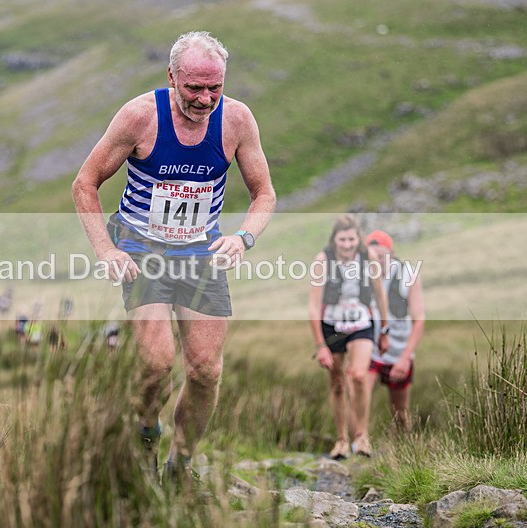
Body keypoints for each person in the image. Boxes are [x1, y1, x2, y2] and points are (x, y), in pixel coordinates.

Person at [72, 31, 276, 484]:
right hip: (141, 249)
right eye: (194, 88)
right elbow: (85, 183)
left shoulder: (237, 120)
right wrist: (106, 249)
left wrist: (243, 238)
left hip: (201, 253)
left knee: (205, 371)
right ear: (171, 77)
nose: (204, 99)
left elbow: (264, 194)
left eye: (214, 88)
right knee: (157, 363)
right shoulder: (140, 116)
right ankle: (146, 437)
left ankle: (180, 466)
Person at [308, 215, 389, 460]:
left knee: (359, 375)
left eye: (351, 239)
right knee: (337, 383)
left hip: (361, 322)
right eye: (342, 239)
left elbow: (380, 295)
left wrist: (384, 330)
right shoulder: (323, 260)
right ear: (334, 239)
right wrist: (320, 345)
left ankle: (362, 436)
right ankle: (341, 439)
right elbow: (313, 307)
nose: (347, 244)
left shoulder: (368, 257)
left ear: (358, 238)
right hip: (331, 325)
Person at [365, 230, 425, 432]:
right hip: (370, 348)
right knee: (358, 395)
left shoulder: (408, 274)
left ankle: (404, 444)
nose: (377, 261)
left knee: (400, 411)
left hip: (399, 350)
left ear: (391, 253)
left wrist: (405, 358)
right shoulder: (360, 275)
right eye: (372, 257)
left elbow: (419, 320)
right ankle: (360, 442)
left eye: (381, 256)